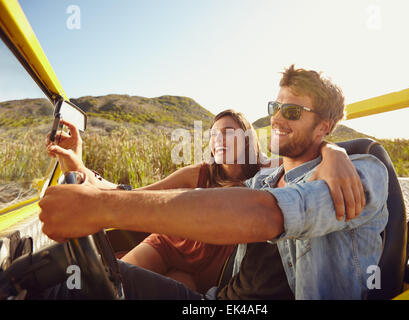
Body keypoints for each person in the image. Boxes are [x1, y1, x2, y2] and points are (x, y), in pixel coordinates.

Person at [38, 65, 387, 300]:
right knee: (97, 281)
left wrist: (99, 208)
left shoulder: (359, 174)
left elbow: (266, 215)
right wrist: (82, 171)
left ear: (324, 125)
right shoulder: (267, 178)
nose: (277, 118)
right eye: (275, 107)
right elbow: (142, 195)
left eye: (292, 111)